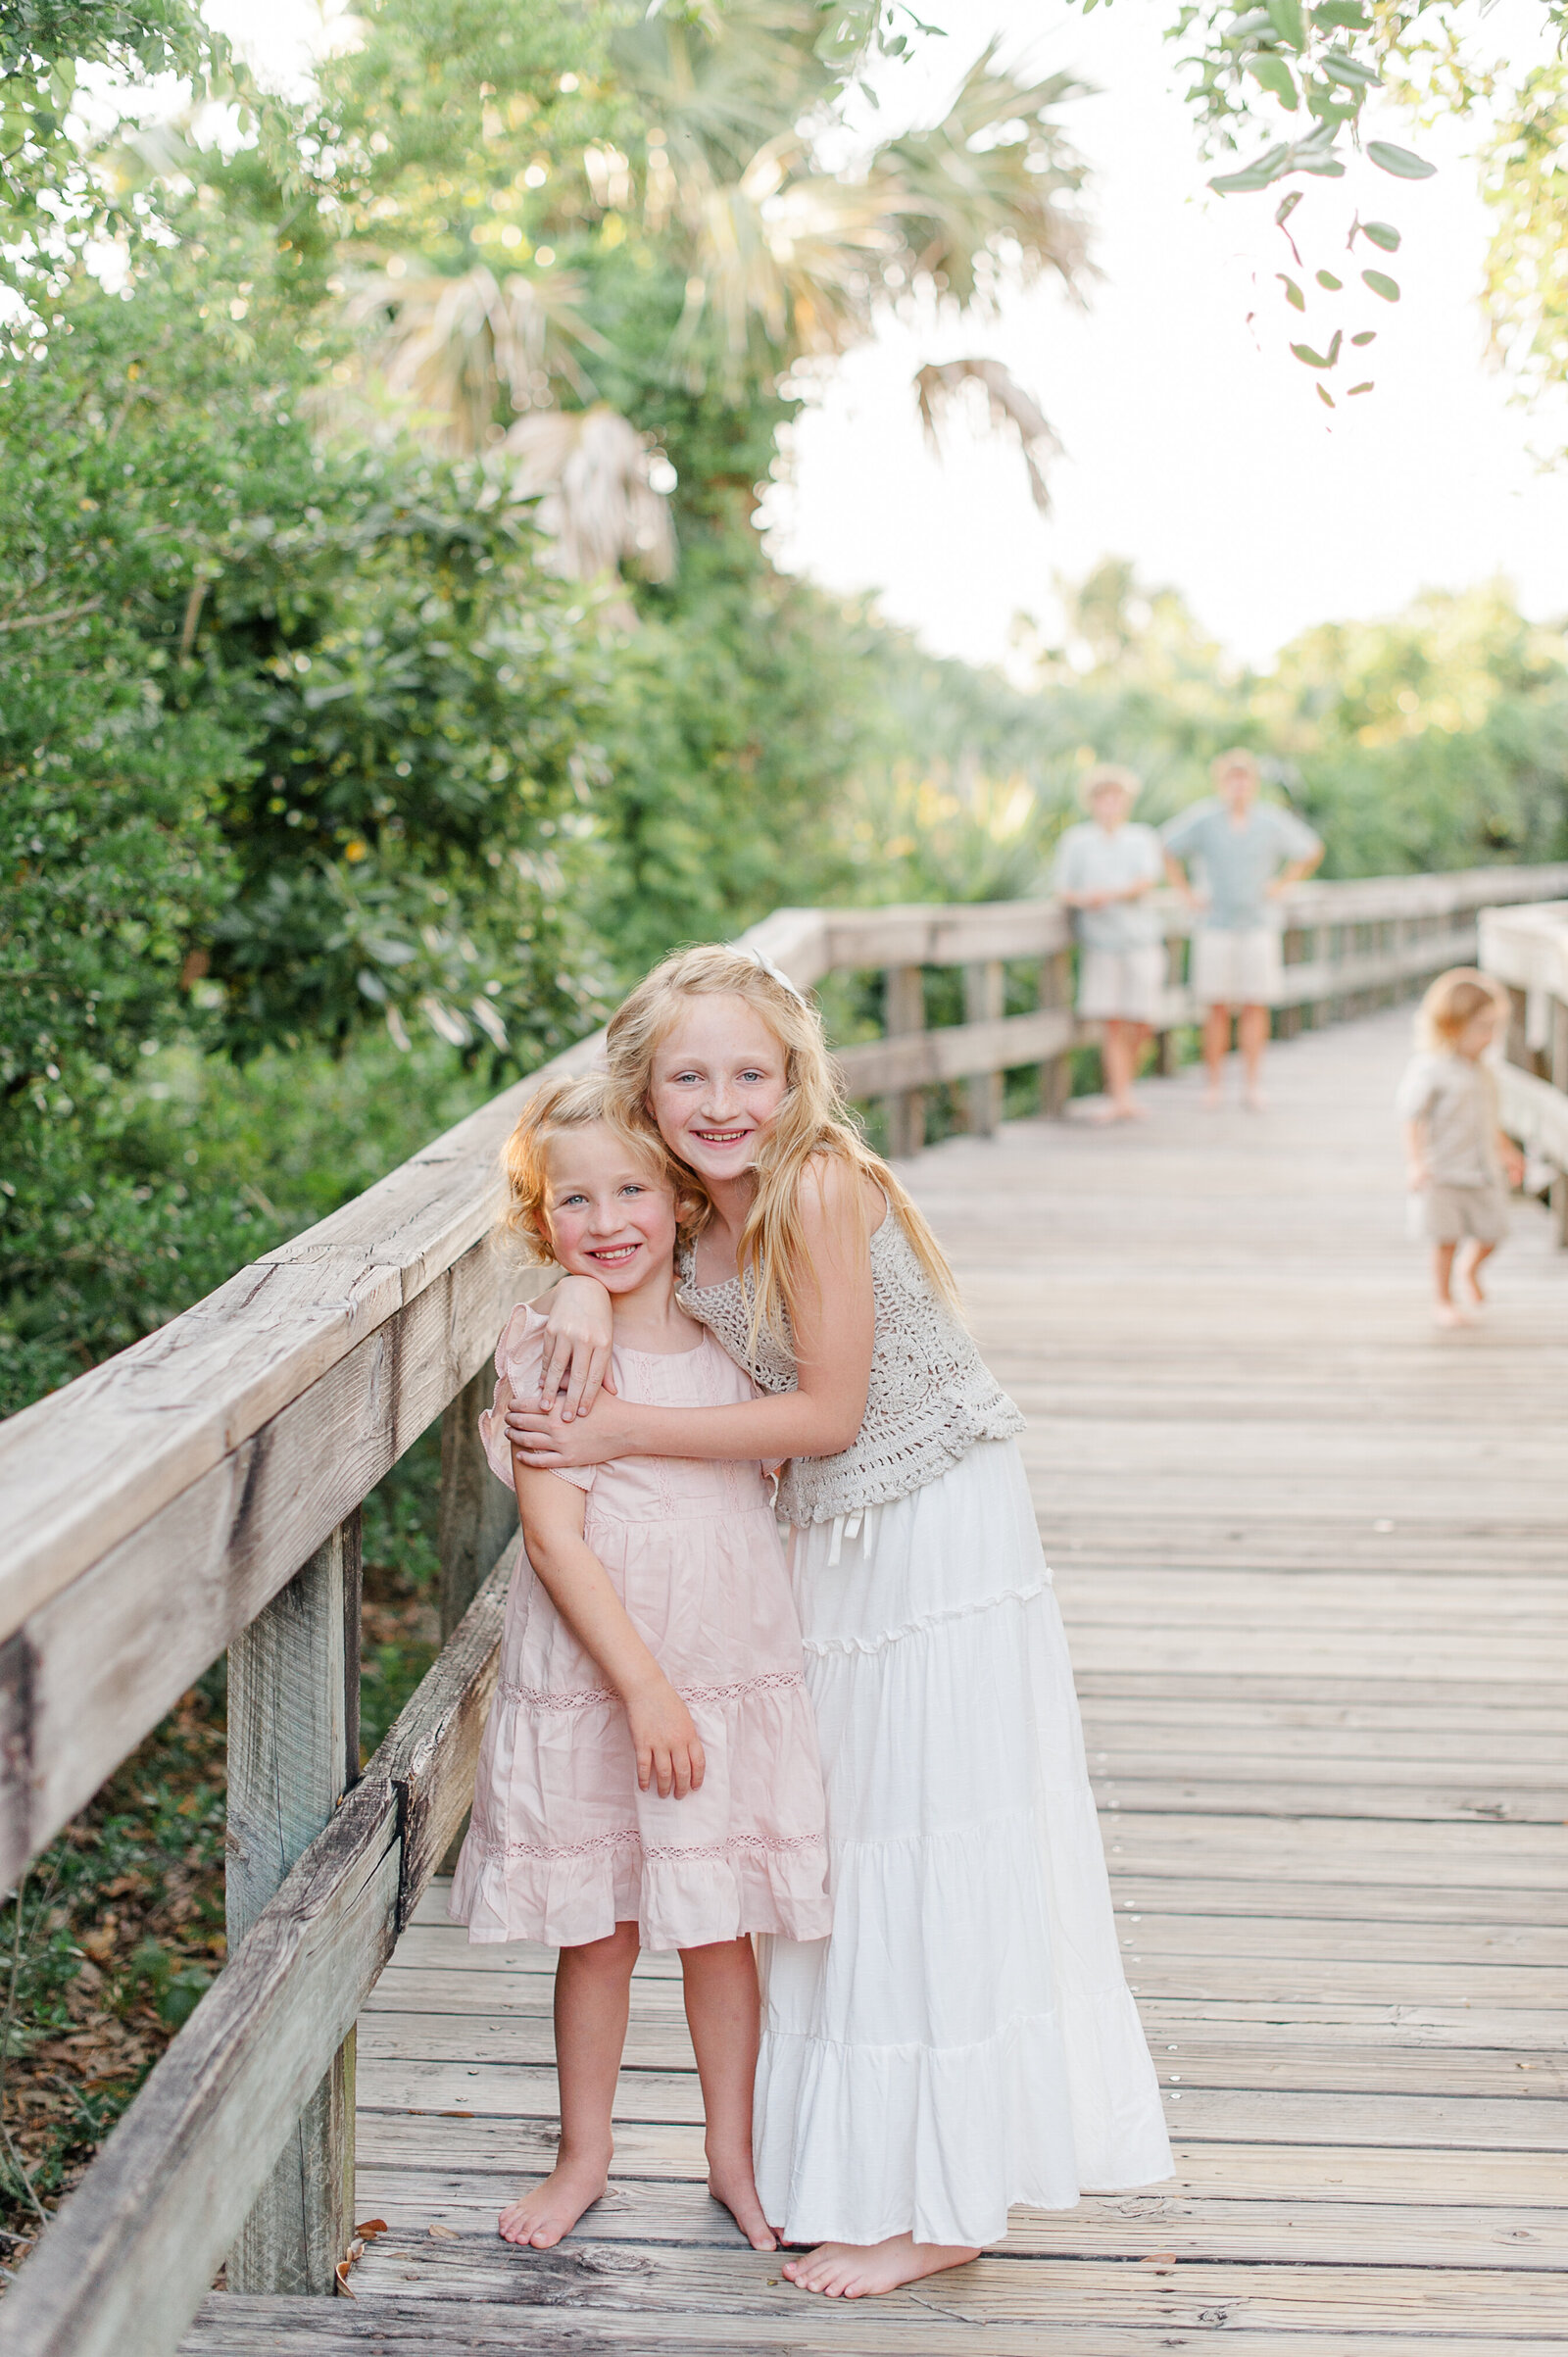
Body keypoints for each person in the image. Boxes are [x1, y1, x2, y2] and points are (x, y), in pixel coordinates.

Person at [505, 946, 1172, 2301]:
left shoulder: (815, 1185)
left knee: (929, 1833)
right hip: (832, 1539)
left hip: (931, 1525)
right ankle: (854, 2153)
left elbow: (829, 1418)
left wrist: (626, 1426)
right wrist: (578, 1284)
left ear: (797, 1075)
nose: (724, 1097)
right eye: (689, 1075)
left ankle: (953, 2202)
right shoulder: (690, 1207)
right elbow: (601, 1245)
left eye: (753, 1070)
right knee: (848, 1844)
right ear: (645, 1089)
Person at [449, 1071, 832, 2255]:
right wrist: (644, 1688)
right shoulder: (552, 1350)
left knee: (723, 1919)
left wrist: (685, 1684)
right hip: (604, 1675)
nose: (606, 1221)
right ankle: (585, 2151)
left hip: (728, 1662)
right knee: (599, 1925)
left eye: (630, 1191)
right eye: (573, 1203)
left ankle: (734, 2152)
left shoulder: (736, 1323)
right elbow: (554, 1538)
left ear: (677, 1199)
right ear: (539, 1218)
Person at [1161, 749, 1323, 1110]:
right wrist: (1186, 894)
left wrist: (1282, 886)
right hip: (1215, 925)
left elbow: (1310, 849)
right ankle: (1214, 1085)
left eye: (1244, 778)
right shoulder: (1203, 820)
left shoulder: (1270, 820)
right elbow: (1164, 848)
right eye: (1231, 778)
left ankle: (1252, 1085)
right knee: (1214, 1006)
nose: (1238, 785)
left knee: (1255, 1004)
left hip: (1258, 925)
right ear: (1221, 783)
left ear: (1253, 783)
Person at [1396, 969, 1524, 1328]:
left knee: (1493, 1232)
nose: (1491, 1038)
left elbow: (1488, 1119)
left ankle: (1471, 1269)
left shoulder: (1482, 1070)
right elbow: (1412, 1117)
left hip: (1482, 1169)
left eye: (1495, 1028)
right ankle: (1444, 1299)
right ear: (1452, 1025)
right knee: (1445, 1241)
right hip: (1444, 1172)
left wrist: (1507, 1151)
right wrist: (1415, 1163)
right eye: (1483, 1028)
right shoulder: (1431, 1070)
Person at [1053, 762, 1166, 1122]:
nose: (1110, 804)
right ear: (1092, 802)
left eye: (1116, 797)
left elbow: (1147, 881)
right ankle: (1120, 1097)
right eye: (1103, 798)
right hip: (1100, 944)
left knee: (1143, 1020)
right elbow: (1062, 890)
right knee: (1112, 1023)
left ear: (1126, 801)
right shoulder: (1076, 840)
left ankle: (1125, 1088)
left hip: (1140, 941)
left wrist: (1111, 895)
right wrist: (1085, 899)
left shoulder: (1141, 837)